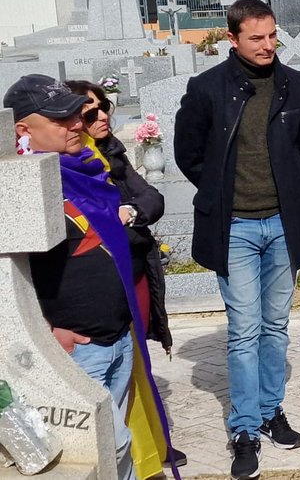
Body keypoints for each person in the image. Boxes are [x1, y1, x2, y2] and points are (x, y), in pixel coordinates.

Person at [174, 0, 300, 480]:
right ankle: (243, 429)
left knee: (276, 325)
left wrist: (284, 190)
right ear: (233, 38)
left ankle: (271, 410)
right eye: (256, 38)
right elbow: (188, 153)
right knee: (245, 329)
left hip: (282, 223)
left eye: (272, 35)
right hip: (233, 226)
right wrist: (222, 190)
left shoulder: (295, 85)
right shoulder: (207, 88)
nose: (267, 45)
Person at [5, 74, 170, 480]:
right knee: (108, 447)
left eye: (74, 115)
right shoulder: (19, 187)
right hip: (76, 353)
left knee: (113, 454)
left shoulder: (88, 170)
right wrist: (44, 332)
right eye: (60, 120)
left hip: (116, 339)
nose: (77, 124)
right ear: (23, 130)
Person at [66, 81, 186, 469]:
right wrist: (122, 216)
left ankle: (150, 442)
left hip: (133, 271)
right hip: (103, 288)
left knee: (136, 365)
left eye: (105, 108)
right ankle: (139, 453)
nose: (101, 117)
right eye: (89, 113)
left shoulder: (112, 154)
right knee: (117, 374)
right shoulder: (74, 167)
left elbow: (152, 198)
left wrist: (129, 214)